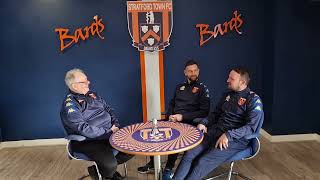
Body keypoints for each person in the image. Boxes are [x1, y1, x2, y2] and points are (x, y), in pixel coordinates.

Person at [172, 67, 264, 180]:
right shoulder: (227, 95)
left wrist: (228, 135)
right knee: (189, 154)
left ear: (242, 82)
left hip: (235, 139)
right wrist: (203, 122)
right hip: (215, 131)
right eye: (229, 77)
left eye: (232, 78)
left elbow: (251, 128)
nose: (227, 80)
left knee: (202, 162)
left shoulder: (253, 99)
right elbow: (215, 114)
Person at [137, 60, 211, 178]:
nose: (193, 73)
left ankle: (168, 168)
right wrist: (169, 116)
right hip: (173, 120)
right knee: (152, 128)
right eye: (190, 71)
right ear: (185, 72)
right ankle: (153, 163)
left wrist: (182, 117)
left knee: (175, 136)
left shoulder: (203, 89)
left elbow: (204, 112)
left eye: (195, 70)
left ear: (198, 71)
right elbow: (172, 104)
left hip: (190, 122)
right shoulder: (179, 87)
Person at [60, 68, 132, 180]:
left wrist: (116, 125)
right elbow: (83, 128)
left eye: (87, 80)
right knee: (109, 164)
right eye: (84, 82)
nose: (88, 83)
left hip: (110, 133)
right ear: (74, 86)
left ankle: (100, 169)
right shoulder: (70, 105)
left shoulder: (92, 95)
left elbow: (108, 109)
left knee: (134, 147)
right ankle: (108, 174)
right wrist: (108, 132)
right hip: (88, 141)